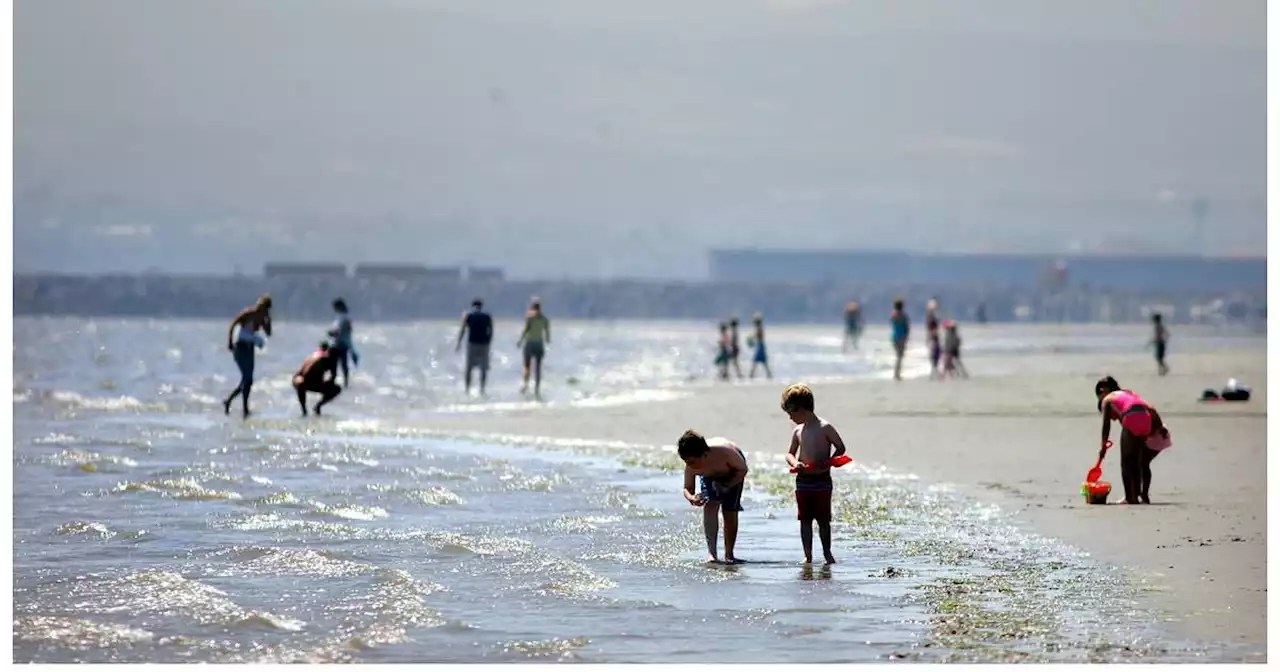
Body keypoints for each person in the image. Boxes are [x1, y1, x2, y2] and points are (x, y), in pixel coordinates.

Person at [781, 384, 848, 565]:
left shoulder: (825, 427)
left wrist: (829, 462)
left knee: (823, 520)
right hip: (803, 480)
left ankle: (827, 553)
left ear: (801, 409)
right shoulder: (798, 431)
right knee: (805, 520)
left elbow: (840, 447)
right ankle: (808, 555)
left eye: (791, 413)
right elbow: (789, 454)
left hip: (822, 480)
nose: (790, 417)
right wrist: (796, 463)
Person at [677, 430, 749, 564]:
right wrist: (692, 498)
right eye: (686, 462)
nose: (690, 465)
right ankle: (712, 553)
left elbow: (742, 469)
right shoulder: (690, 464)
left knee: (730, 511)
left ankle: (729, 554)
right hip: (709, 476)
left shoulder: (724, 452)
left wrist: (728, 485)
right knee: (710, 505)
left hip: (733, 471)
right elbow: (687, 488)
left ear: (704, 454)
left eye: (692, 462)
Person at [1096, 376, 1168, 504]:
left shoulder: (1107, 399)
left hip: (1131, 416)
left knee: (1126, 462)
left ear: (1103, 391)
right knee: (1137, 460)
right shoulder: (1129, 393)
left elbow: (1106, 425)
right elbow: (1148, 406)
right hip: (1146, 417)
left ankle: (1130, 497)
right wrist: (1159, 425)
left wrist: (1103, 446)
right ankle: (1139, 495)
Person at [222, 294, 272, 417]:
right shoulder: (249, 313)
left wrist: (268, 321)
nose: (263, 311)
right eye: (262, 307)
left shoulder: (263, 318)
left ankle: (237, 404)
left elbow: (269, 333)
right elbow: (233, 324)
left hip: (250, 349)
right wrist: (229, 341)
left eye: (266, 309)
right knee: (247, 378)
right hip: (240, 347)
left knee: (248, 380)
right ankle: (236, 404)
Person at [456, 297, 494, 396]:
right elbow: (491, 330)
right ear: (481, 306)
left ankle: (467, 389)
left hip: (472, 343)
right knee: (483, 368)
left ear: (472, 306)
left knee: (469, 368)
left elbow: (463, 329)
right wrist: (489, 342)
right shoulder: (487, 316)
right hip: (484, 344)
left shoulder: (468, 315)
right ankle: (482, 389)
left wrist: (459, 343)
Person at [292, 342, 342, 416]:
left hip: (296, 380)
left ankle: (304, 411)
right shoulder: (329, 359)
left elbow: (304, 372)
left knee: (303, 384)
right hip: (308, 381)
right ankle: (318, 407)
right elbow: (333, 378)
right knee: (337, 389)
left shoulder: (315, 354)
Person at [517, 298, 551, 397]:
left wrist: (520, 340)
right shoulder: (544, 319)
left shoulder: (530, 318)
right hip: (539, 343)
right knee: (538, 367)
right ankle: (536, 389)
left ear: (533, 309)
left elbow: (526, 330)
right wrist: (548, 339)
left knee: (527, 366)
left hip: (530, 343)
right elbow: (547, 331)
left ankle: (526, 385)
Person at [326, 298, 356, 388]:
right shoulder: (342, 317)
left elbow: (341, 331)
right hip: (341, 344)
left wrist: (332, 333)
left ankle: (337, 381)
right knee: (342, 364)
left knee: (336, 363)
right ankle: (344, 382)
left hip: (340, 344)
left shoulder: (344, 318)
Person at [890, 298, 910, 381]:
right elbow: (907, 327)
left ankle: (896, 373)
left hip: (894, 336)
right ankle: (897, 374)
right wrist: (907, 337)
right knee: (900, 356)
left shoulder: (893, 315)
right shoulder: (904, 316)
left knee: (898, 356)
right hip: (901, 337)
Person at [748, 312, 771, 379]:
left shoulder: (759, 328)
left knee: (757, 360)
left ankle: (751, 375)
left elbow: (758, 336)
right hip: (760, 345)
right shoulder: (759, 328)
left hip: (760, 345)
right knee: (763, 362)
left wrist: (751, 337)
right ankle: (768, 374)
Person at [924, 299, 942, 379]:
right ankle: (933, 373)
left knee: (936, 355)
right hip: (932, 338)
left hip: (933, 337)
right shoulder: (931, 317)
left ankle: (934, 372)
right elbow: (930, 328)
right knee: (934, 355)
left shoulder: (932, 316)